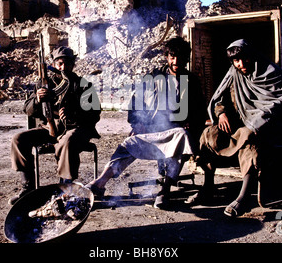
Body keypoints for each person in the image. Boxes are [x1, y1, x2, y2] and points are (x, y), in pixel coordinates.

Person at [86, 36, 207, 209]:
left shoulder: (192, 81)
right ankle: (99, 183)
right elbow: (136, 102)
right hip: (151, 130)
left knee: (180, 141)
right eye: (172, 57)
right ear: (167, 57)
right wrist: (137, 124)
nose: (176, 61)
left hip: (175, 132)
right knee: (128, 144)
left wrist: (191, 122)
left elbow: (200, 110)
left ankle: (165, 191)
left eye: (180, 57)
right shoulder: (153, 78)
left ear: (186, 58)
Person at [186, 39, 282, 217]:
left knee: (250, 139)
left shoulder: (271, 72)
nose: (240, 64)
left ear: (251, 56)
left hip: (267, 125)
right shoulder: (234, 73)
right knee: (208, 134)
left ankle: (243, 197)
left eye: (244, 59)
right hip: (239, 123)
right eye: (236, 61)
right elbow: (219, 97)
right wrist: (221, 113)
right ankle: (208, 186)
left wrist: (258, 120)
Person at [9, 46, 101, 205]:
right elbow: (27, 109)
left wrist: (75, 113)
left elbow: (95, 113)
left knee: (67, 143)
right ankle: (28, 186)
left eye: (67, 63)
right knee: (19, 139)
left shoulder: (83, 85)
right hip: (50, 128)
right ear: (54, 64)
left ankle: (64, 189)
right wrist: (37, 99)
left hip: (77, 129)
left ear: (73, 65)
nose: (63, 67)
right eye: (59, 64)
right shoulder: (44, 83)